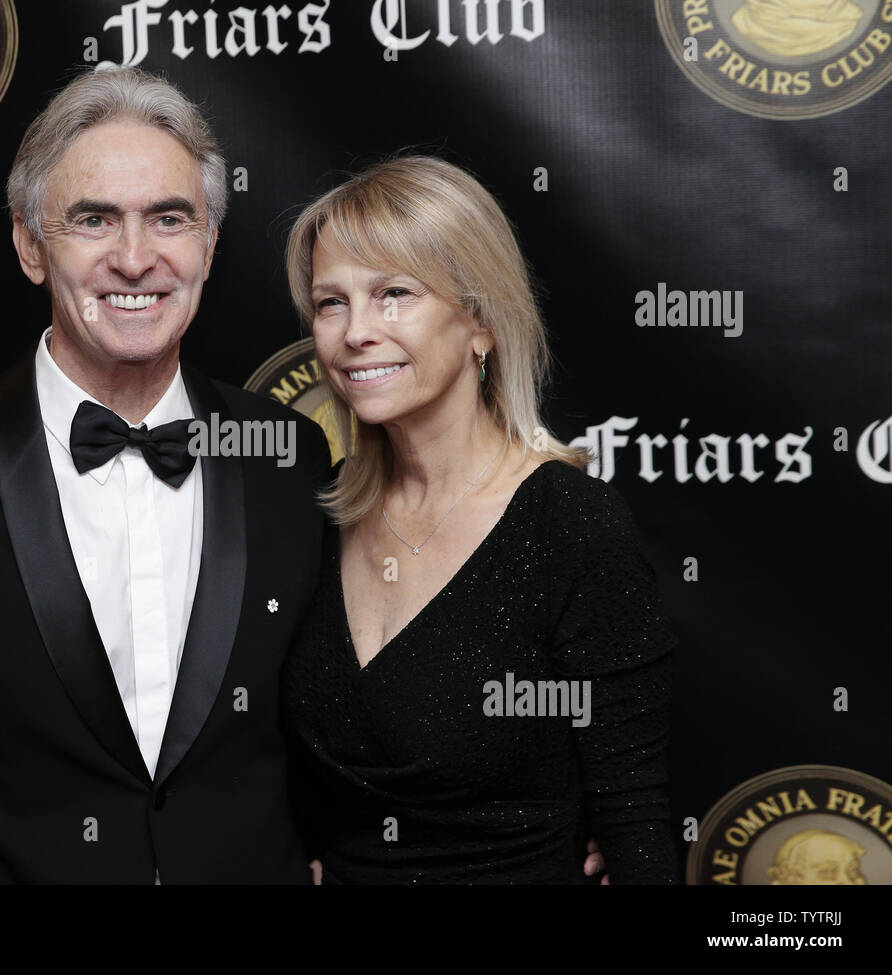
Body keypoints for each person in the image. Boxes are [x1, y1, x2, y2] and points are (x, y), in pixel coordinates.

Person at [0, 66, 331, 883]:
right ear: (29, 245)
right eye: (93, 219)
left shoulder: (289, 456)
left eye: (169, 218)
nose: (134, 257)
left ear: (209, 244)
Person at [279, 156, 678, 883]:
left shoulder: (571, 524)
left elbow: (637, 824)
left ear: (482, 323)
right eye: (331, 302)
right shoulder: (316, 511)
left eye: (394, 292)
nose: (355, 331)